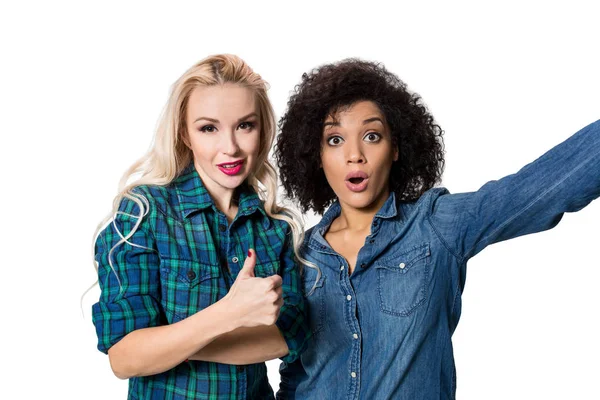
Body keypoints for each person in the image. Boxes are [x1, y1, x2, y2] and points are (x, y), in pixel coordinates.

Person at [274, 59, 599, 399]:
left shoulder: (436, 226)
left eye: (372, 136)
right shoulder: (301, 256)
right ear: (316, 156)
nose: (355, 155)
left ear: (396, 148)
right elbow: (294, 376)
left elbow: (541, 190)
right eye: (335, 139)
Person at [91, 54, 310, 399]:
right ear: (185, 134)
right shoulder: (144, 215)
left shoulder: (275, 228)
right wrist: (230, 313)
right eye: (209, 128)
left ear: (262, 129)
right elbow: (125, 357)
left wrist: (168, 344)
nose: (231, 148)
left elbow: (287, 338)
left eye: (244, 126)